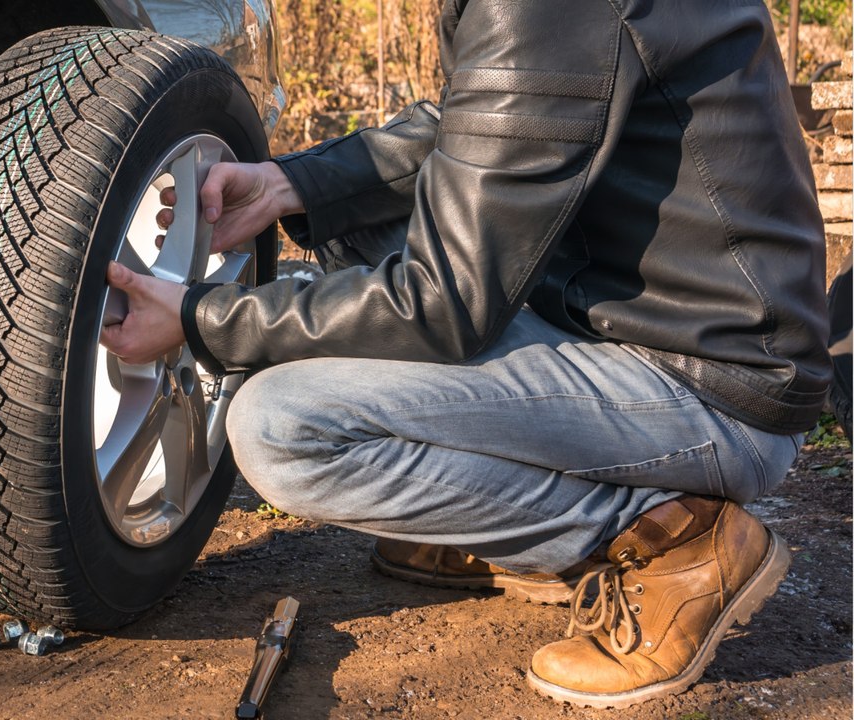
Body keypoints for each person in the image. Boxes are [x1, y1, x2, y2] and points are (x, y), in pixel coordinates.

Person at [100, 0, 832, 708]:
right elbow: (485, 126)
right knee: (352, 224)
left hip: (713, 388)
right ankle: (484, 516)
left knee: (280, 428)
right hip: (630, 316)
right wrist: (291, 185)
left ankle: (672, 542)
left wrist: (201, 320)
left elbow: (443, 300)